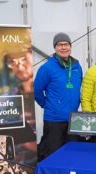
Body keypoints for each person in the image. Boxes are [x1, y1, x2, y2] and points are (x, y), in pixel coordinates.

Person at [34, 32, 83, 161]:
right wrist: (48, 105)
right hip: (54, 120)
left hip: (74, 120)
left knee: (72, 155)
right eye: (59, 45)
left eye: (66, 44)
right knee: (53, 156)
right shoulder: (47, 68)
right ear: (55, 48)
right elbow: (37, 90)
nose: (63, 47)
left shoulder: (77, 67)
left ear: (70, 47)